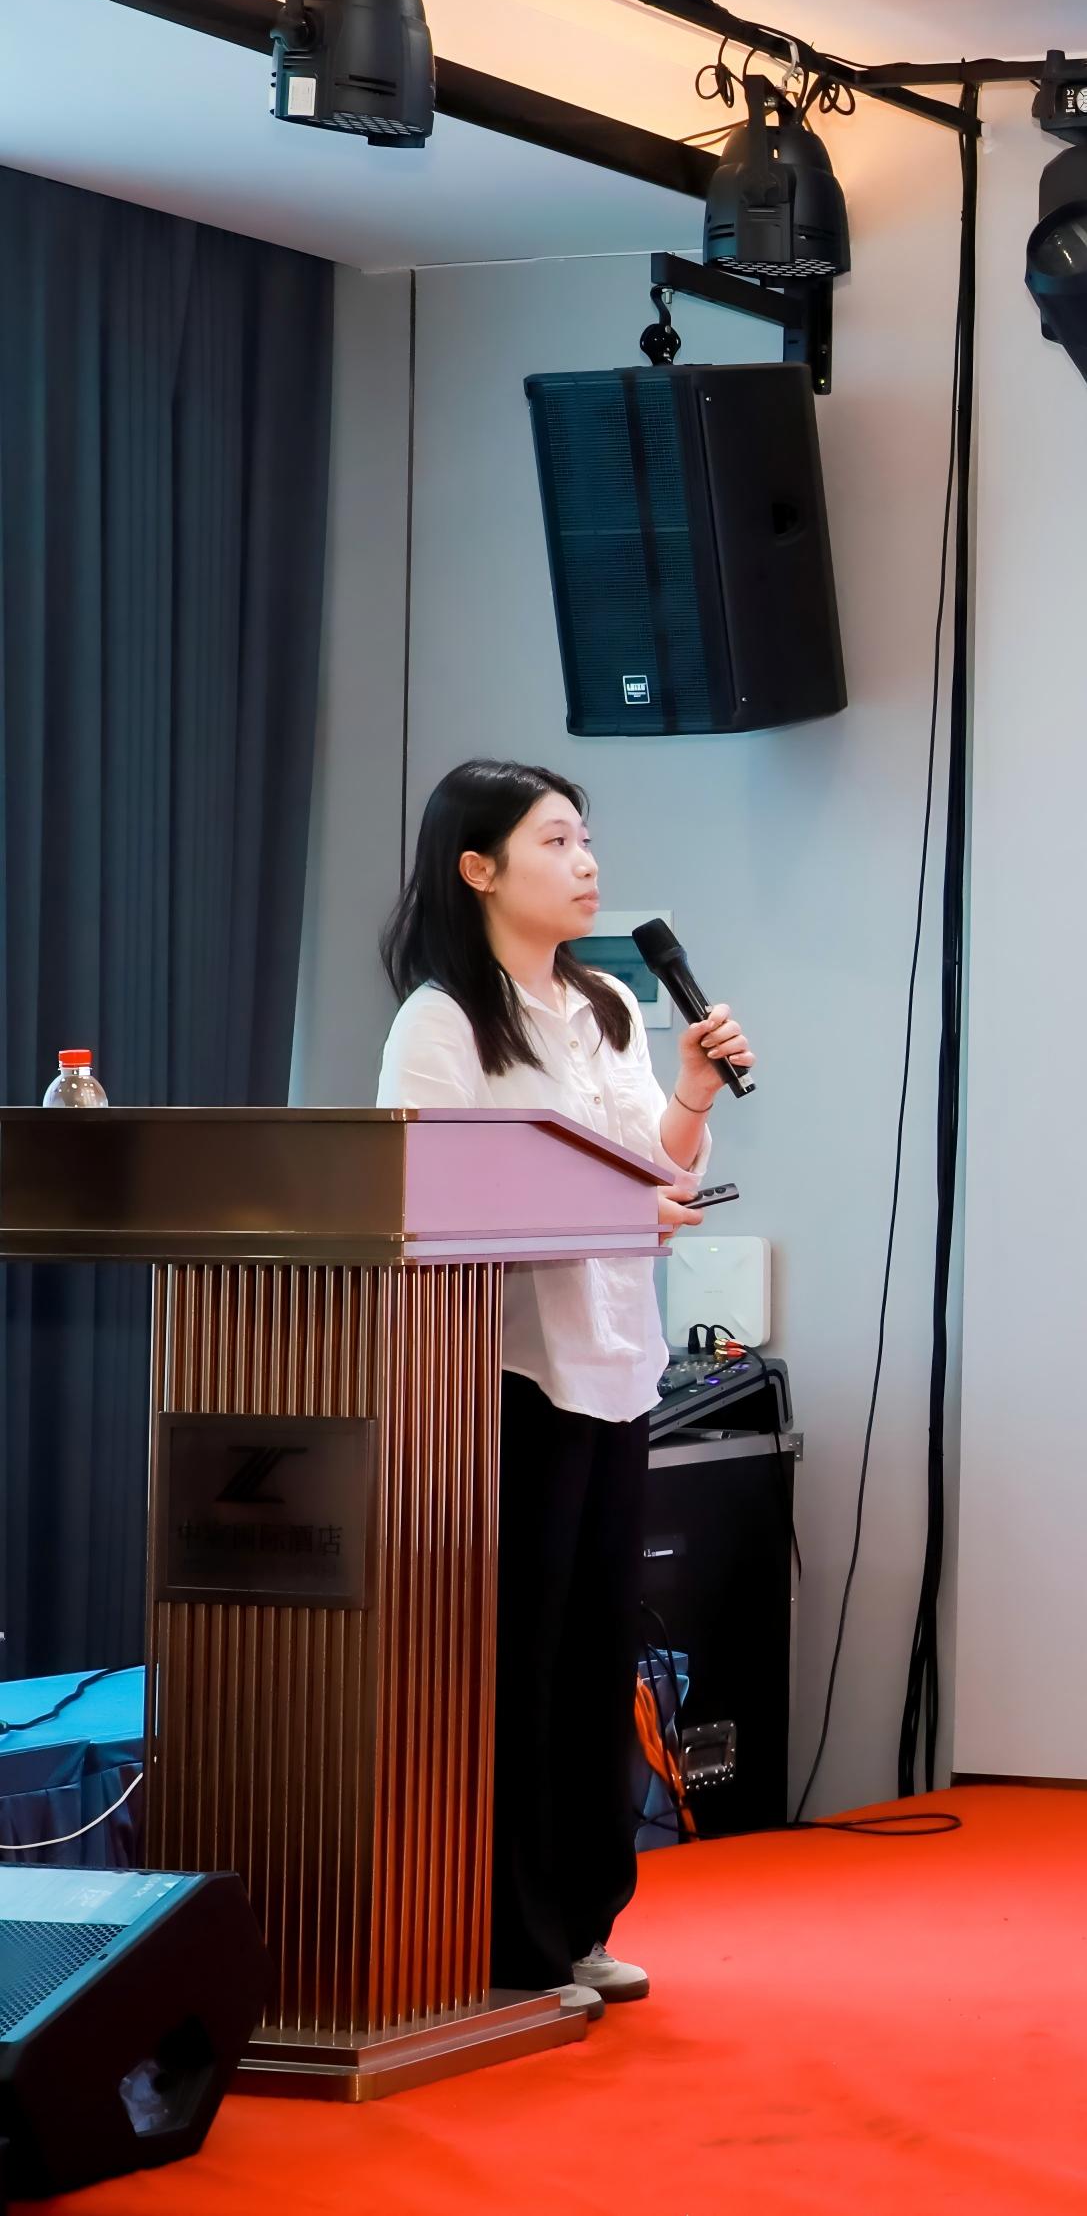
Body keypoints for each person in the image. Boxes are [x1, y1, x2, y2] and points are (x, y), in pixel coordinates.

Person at [376, 760, 755, 2010]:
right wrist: (613, 1209)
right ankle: (506, 1941)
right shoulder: (441, 1022)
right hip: (508, 1379)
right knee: (517, 1663)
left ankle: (581, 1920)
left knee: (598, 1654)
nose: (585, 861)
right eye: (554, 840)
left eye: (587, 837)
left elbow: (654, 1167)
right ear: (477, 867)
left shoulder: (603, 1003)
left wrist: (692, 1093)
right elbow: (428, 1201)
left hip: (616, 1363)